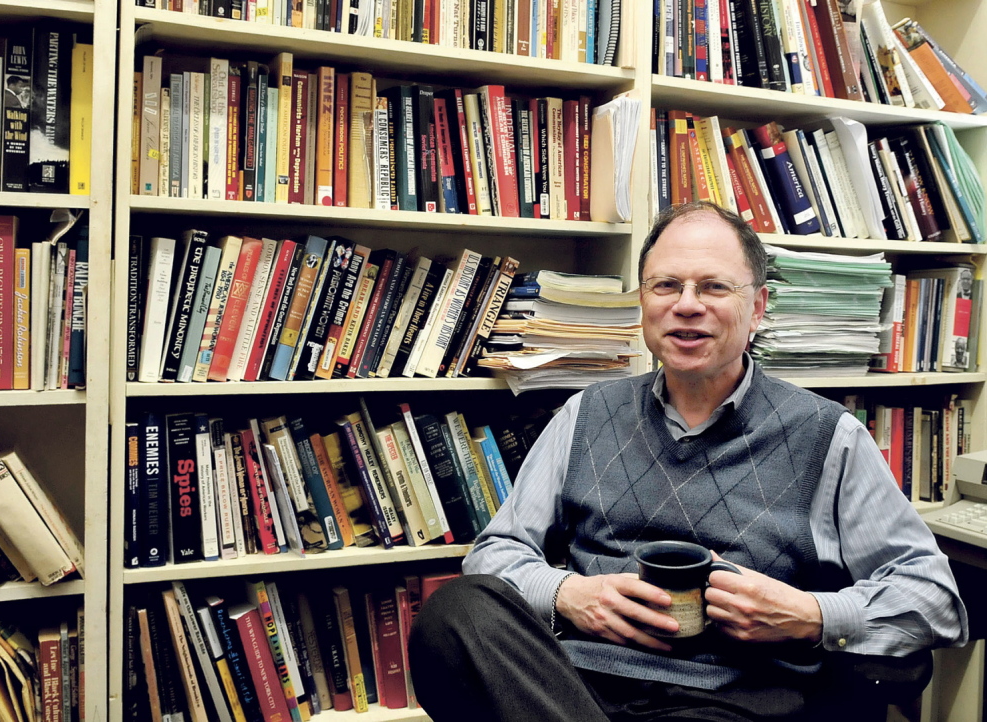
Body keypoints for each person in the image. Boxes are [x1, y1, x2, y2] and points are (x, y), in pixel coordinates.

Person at [408, 201, 968, 722]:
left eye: (715, 286)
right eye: (667, 284)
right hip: (567, 686)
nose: (687, 304)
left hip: (729, 697)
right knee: (455, 613)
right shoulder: (585, 413)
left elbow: (934, 597)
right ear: (645, 302)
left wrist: (811, 615)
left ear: (758, 308)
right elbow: (496, 554)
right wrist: (568, 595)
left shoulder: (829, 436)